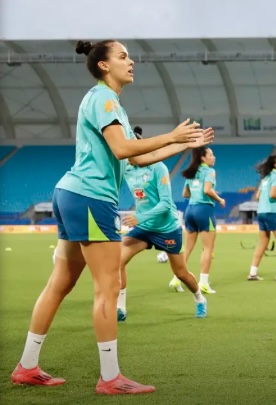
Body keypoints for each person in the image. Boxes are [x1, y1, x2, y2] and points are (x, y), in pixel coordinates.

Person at [11, 39, 208, 394]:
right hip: (90, 198)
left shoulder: (106, 100)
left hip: (70, 193)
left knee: (61, 283)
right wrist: (172, 134)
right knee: (109, 286)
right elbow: (122, 148)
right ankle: (110, 378)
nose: (131, 61)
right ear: (104, 66)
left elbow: (133, 159)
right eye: (122, 56)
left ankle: (27, 366)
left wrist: (182, 145)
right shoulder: (104, 98)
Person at [117, 126, 209, 322]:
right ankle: (120, 308)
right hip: (144, 229)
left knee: (181, 273)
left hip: (167, 228)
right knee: (117, 262)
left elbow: (167, 204)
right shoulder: (125, 168)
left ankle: (199, 299)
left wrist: (140, 217)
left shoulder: (158, 168)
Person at [173, 147, 224, 294]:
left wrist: (197, 194)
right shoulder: (209, 171)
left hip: (190, 210)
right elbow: (207, 190)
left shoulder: (191, 172)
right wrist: (219, 199)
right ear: (203, 158)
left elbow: (185, 193)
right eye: (211, 154)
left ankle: (176, 279)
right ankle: (203, 282)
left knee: (187, 248)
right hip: (204, 210)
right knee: (208, 248)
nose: (213, 157)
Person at [248, 155, 276, 282]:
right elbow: (273, 194)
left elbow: (258, 196)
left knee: (263, 243)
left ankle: (252, 273)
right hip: (272, 213)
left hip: (261, 212)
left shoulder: (265, 178)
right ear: (275, 165)